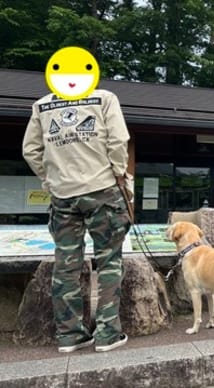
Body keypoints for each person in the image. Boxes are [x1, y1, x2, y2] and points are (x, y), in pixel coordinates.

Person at [22, 47, 131, 353]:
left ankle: (69, 335)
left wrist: (50, 178)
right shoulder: (105, 99)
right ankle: (108, 333)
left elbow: (30, 151)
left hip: (62, 196)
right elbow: (118, 141)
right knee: (109, 260)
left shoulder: (42, 106)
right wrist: (118, 174)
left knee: (65, 265)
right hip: (102, 191)